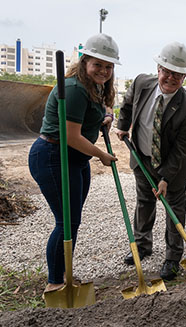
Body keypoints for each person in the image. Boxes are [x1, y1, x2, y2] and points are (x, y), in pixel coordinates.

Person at [28, 33, 120, 293]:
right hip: (53, 156)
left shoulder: (94, 86)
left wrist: (103, 118)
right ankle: (55, 282)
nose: (103, 70)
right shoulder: (74, 88)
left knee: (73, 220)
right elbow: (70, 135)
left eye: (108, 66)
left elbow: (89, 116)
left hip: (76, 159)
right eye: (98, 64)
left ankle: (64, 274)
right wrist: (101, 154)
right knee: (65, 221)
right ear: (85, 61)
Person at [116, 42, 186, 281]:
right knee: (144, 203)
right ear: (158, 68)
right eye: (167, 71)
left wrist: (165, 178)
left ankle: (173, 258)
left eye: (178, 74)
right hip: (142, 157)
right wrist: (122, 127)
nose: (171, 77)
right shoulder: (142, 83)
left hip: (173, 168)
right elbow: (127, 105)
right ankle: (142, 246)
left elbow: (182, 149)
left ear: (184, 76)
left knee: (174, 210)